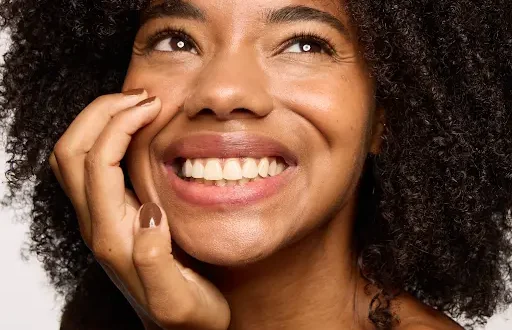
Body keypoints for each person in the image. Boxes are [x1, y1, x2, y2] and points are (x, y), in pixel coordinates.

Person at [0, 0, 510, 329]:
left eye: (305, 44)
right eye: (175, 40)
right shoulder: (105, 316)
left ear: (385, 117)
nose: (223, 92)